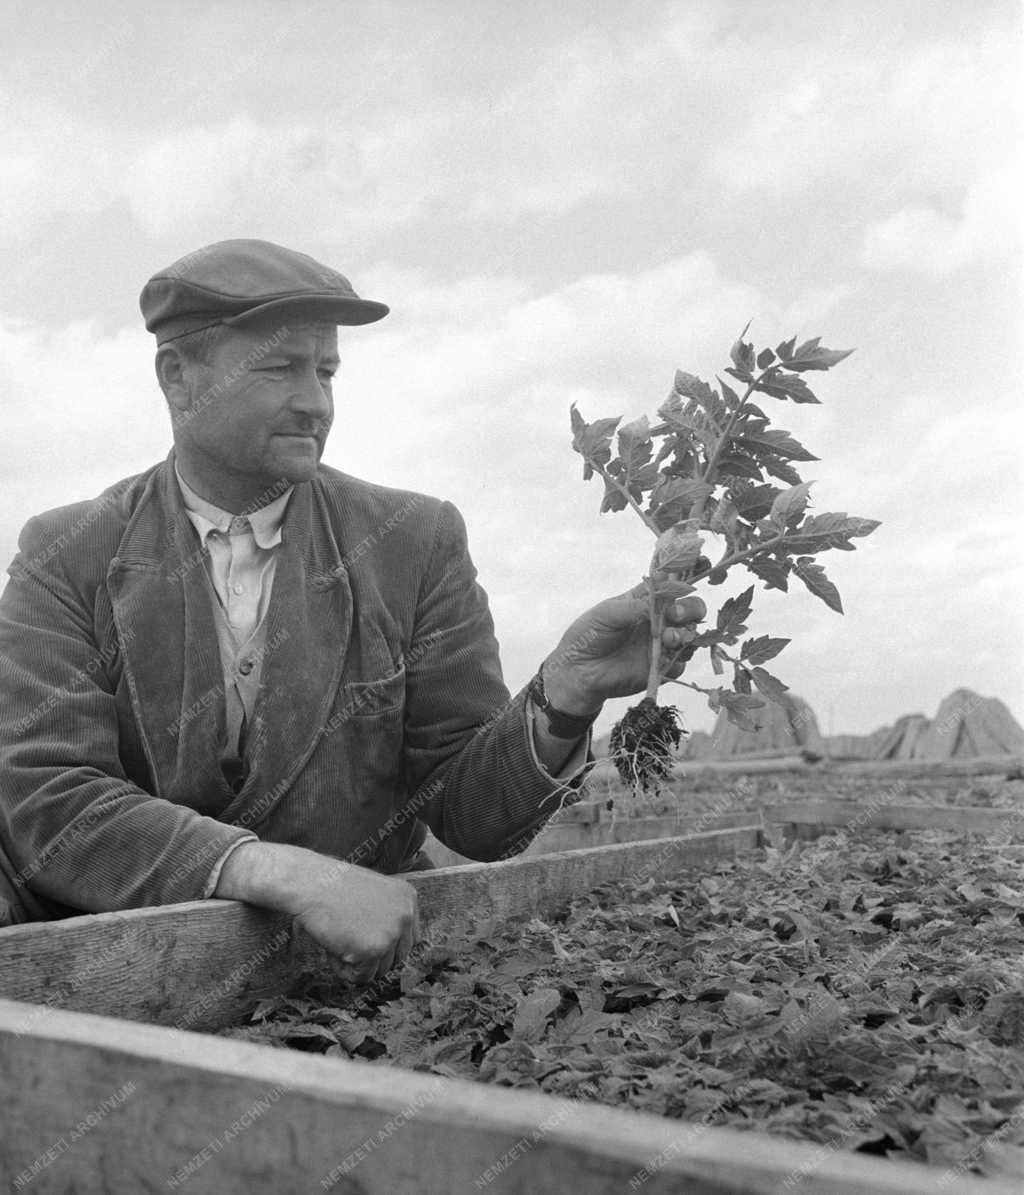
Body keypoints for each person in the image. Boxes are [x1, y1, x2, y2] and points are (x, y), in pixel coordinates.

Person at [0, 239, 704, 981]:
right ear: (179, 378)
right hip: (117, 982)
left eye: (326, 369)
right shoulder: (67, 553)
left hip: (352, 987)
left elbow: (473, 815)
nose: (315, 399)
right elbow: (51, 800)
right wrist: (283, 873)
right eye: (281, 367)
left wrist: (566, 692)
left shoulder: (413, 542)